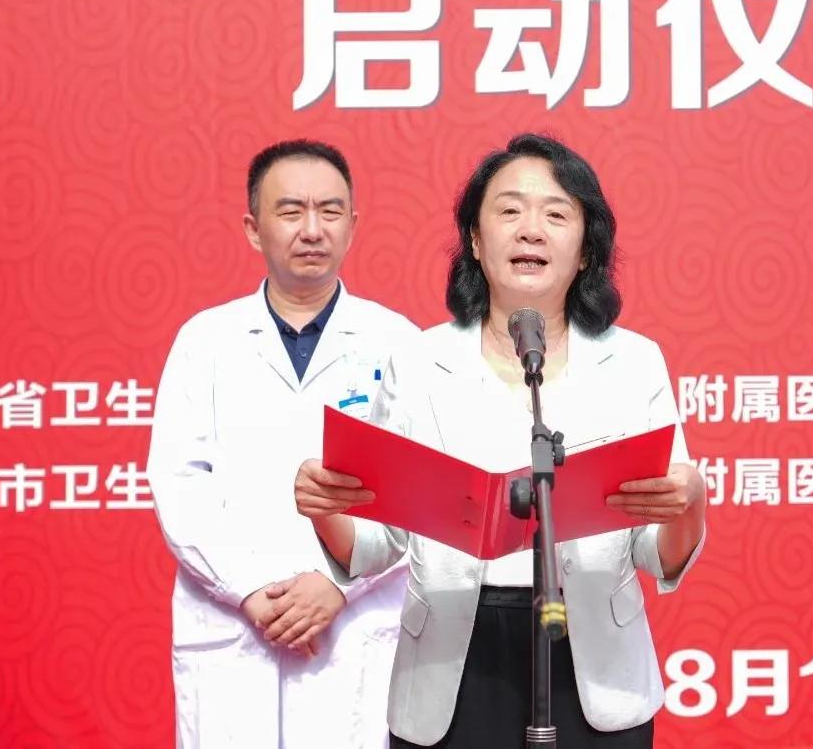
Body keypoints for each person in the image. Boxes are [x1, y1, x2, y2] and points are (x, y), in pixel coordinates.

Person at [295, 133, 707, 748]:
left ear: (585, 250)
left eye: (556, 215)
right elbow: (376, 545)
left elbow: (657, 551)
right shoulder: (418, 361)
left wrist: (690, 503)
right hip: (452, 665)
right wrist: (328, 509)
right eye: (510, 210)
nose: (531, 230)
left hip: (593, 663)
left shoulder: (633, 363)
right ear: (475, 239)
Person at [147, 139, 417, 748]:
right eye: (291, 211)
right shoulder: (205, 341)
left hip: (355, 626)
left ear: (353, 225)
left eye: (330, 211)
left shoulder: (397, 341)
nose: (312, 229)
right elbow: (179, 483)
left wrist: (338, 585)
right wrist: (247, 589)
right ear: (254, 228)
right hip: (232, 628)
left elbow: (419, 498)